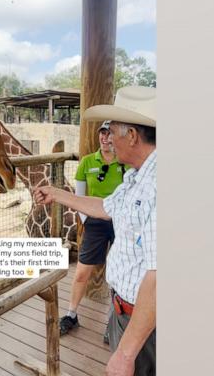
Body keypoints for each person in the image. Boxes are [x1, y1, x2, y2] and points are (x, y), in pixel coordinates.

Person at [34, 86, 156, 376]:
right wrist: (56, 193)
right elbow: (105, 206)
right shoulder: (137, 176)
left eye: (112, 131)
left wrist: (126, 353)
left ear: (132, 136)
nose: (108, 139)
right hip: (123, 311)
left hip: (145, 322)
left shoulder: (157, 186)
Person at [59, 120, 124, 342]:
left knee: (118, 274)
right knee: (81, 272)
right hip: (95, 223)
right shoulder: (87, 162)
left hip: (121, 222)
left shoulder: (125, 162)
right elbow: (79, 197)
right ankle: (71, 314)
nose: (105, 138)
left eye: (109, 134)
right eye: (102, 134)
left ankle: (113, 323)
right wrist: (88, 220)